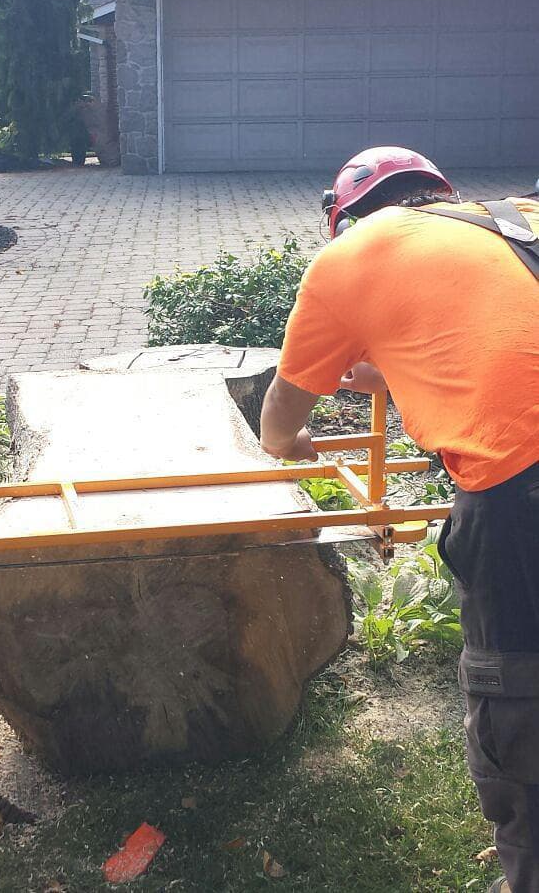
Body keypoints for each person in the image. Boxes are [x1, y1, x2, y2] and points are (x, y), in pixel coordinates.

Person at [260, 146, 539, 893]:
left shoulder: (351, 256)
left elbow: (279, 419)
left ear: (343, 218)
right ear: (438, 194)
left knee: (520, 704)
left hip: (524, 496)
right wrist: (400, 369)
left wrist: (292, 443)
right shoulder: (512, 222)